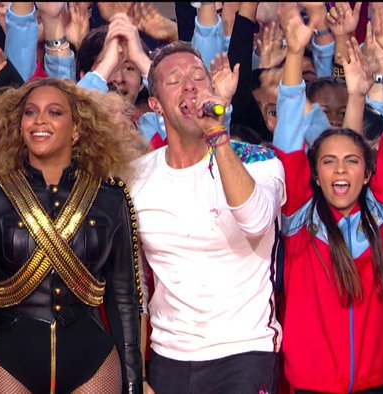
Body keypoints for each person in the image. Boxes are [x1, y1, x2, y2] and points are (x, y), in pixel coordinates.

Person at [0, 48, 146, 392]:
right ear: (19, 125)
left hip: (92, 361)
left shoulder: (111, 198)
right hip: (8, 360)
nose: (39, 120)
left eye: (54, 112)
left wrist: (135, 381)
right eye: (30, 113)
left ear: (75, 129)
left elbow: (125, 299)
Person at [273, 5, 383, 393]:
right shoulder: (300, 222)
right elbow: (287, 142)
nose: (340, 171)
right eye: (329, 162)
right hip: (309, 387)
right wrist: (292, 56)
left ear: (368, 173)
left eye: (352, 162)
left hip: (380, 385)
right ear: (314, 175)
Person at [130, 41, 285, 393]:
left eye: (198, 77)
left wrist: (218, 134)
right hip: (169, 356)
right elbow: (134, 285)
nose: (189, 85)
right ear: (155, 105)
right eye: (174, 80)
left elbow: (256, 221)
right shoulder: (137, 177)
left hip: (244, 351)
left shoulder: (258, 160)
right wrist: (135, 373)